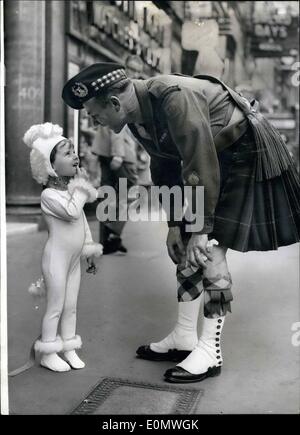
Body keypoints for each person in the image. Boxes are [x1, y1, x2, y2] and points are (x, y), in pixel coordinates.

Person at [62, 63, 300, 383]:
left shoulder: (173, 97)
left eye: (94, 114)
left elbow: (199, 160)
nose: (95, 121)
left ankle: (210, 351)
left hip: (243, 149)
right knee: (186, 245)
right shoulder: (137, 117)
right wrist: (176, 223)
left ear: (115, 104)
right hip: (210, 158)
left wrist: (201, 229)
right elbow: (165, 165)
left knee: (209, 250)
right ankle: (185, 336)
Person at [23, 122, 102, 372]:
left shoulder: (70, 189)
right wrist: (81, 187)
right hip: (56, 258)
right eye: (67, 153)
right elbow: (71, 213)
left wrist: (89, 248)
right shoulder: (49, 196)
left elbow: (82, 223)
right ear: (50, 165)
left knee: (71, 306)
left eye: (73, 151)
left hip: (74, 259)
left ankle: (69, 347)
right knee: (56, 306)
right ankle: (48, 351)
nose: (75, 156)